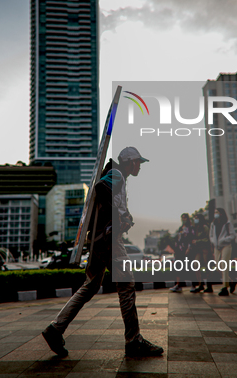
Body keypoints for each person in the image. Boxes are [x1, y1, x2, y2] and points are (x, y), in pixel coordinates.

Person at [42, 147, 163, 358]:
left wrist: (124, 216)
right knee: (126, 285)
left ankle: (55, 329)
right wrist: (120, 217)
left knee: (90, 286)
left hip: (99, 240)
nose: (140, 166)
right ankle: (134, 341)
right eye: (138, 163)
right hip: (109, 240)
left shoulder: (116, 176)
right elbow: (101, 187)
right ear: (130, 162)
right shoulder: (117, 175)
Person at [209, 208, 236, 296]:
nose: (215, 214)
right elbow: (211, 235)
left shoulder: (227, 223)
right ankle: (231, 282)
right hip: (217, 247)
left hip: (226, 246)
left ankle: (225, 288)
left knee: (224, 266)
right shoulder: (213, 224)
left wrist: (223, 240)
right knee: (218, 267)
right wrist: (214, 242)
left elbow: (233, 235)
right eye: (215, 212)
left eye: (217, 212)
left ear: (221, 214)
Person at [188, 213, 212, 293]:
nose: (195, 219)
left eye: (197, 218)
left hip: (205, 249)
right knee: (195, 265)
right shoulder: (195, 228)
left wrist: (198, 241)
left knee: (207, 267)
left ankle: (209, 286)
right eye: (194, 218)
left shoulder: (205, 227)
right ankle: (200, 284)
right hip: (198, 250)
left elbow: (208, 239)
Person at [170, 213, 193, 292]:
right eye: (182, 218)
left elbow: (191, 238)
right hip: (179, 250)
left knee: (190, 267)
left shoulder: (190, 228)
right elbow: (177, 239)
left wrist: (189, 248)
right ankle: (178, 285)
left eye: (185, 217)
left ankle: (194, 285)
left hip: (187, 250)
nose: (183, 219)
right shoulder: (180, 228)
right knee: (178, 267)